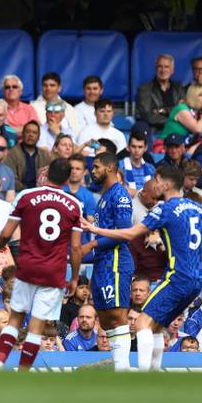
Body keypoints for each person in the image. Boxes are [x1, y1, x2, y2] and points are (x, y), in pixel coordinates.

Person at [83, 165, 202, 371]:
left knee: (142, 323)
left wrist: (95, 229)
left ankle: (144, 377)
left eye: (157, 180)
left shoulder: (165, 208)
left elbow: (130, 233)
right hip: (196, 280)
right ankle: (155, 372)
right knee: (157, 327)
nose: (154, 184)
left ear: (167, 184)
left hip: (177, 277)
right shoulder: (196, 206)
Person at [0, 158, 83, 372]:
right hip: (53, 272)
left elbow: (7, 232)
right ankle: (23, 372)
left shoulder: (26, 196)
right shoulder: (74, 205)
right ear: (68, 178)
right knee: (37, 325)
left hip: (27, 267)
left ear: (47, 172)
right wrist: (75, 277)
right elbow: (77, 248)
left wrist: (1, 244)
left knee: (15, 318)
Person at [77, 152, 134, 370]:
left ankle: (123, 370)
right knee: (106, 317)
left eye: (97, 167)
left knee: (118, 315)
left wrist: (92, 244)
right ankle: (118, 365)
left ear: (110, 168)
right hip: (103, 263)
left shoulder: (119, 195)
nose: (93, 171)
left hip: (116, 260)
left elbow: (123, 231)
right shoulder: (104, 196)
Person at [137, 54, 185, 136]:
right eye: (160, 66)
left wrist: (163, 110)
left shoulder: (179, 88)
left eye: (166, 67)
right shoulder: (144, 89)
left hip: (178, 131)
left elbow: (183, 111)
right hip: (155, 131)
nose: (163, 70)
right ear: (155, 69)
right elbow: (148, 116)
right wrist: (174, 119)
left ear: (172, 70)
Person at [5, 121, 53, 190]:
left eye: (34, 133)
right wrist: (26, 190)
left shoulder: (45, 155)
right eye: (28, 132)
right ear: (22, 134)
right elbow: (11, 179)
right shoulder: (12, 153)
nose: (31, 135)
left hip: (40, 192)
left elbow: (49, 178)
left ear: (39, 137)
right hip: (18, 192)